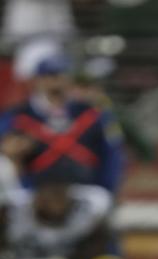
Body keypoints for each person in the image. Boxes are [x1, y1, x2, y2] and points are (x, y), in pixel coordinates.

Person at [0, 52, 126, 194]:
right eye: (50, 75)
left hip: (85, 191)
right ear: (37, 80)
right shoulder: (18, 115)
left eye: (61, 75)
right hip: (32, 192)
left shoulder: (92, 113)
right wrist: (11, 152)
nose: (56, 81)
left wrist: (107, 189)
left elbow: (112, 152)